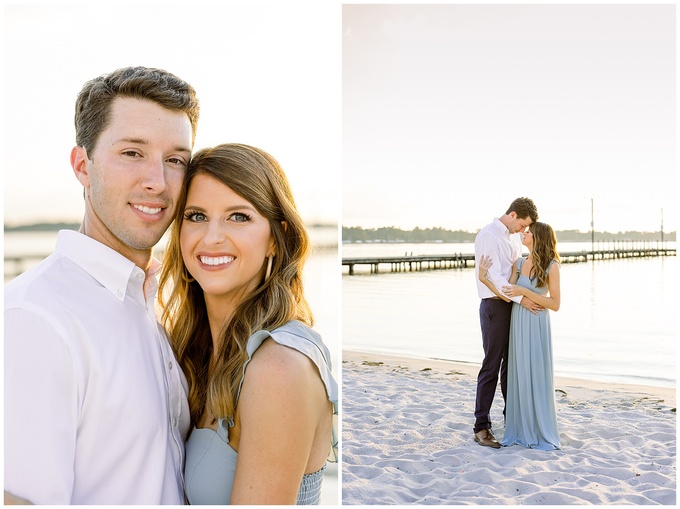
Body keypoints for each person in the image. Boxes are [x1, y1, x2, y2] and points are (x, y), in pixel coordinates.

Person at [4, 66, 200, 504]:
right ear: (82, 166)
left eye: (175, 160)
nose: (158, 181)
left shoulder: (149, 302)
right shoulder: (36, 318)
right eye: (132, 153)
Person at [158, 143, 338, 505]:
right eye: (196, 216)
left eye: (238, 216)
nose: (211, 237)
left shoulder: (279, 367)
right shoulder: (195, 351)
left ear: (276, 238)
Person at [479, 222, 562, 449]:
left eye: (528, 232)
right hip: (518, 322)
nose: (524, 233)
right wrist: (484, 278)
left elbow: (555, 304)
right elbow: (507, 293)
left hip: (536, 323)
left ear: (538, 237)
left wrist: (525, 292)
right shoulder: (519, 263)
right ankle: (519, 425)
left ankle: (537, 426)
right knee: (518, 373)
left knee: (535, 372)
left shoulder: (552, 266)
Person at [472, 197, 540, 448]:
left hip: (512, 305)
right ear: (513, 215)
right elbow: (494, 277)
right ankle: (481, 427)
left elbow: (514, 274)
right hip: (494, 305)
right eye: (523, 225)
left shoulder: (512, 238)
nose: (524, 231)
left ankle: (510, 420)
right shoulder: (489, 235)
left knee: (510, 366)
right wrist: (522, 299)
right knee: (491, 365)